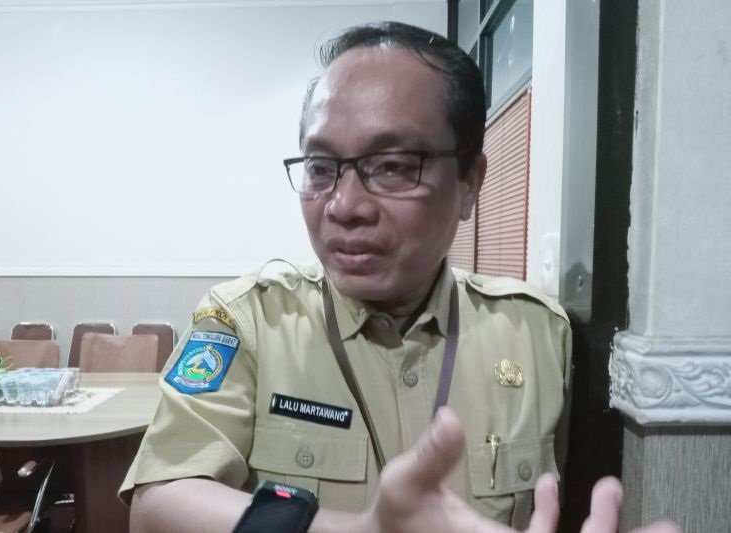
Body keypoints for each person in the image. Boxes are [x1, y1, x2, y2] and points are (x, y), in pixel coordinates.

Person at [121, 21, 677, 533]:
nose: (344, 206)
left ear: (469, 181)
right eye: (321, 168)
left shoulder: (538, 335)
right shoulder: (249, 323)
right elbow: (158, 503)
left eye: (391, 166)